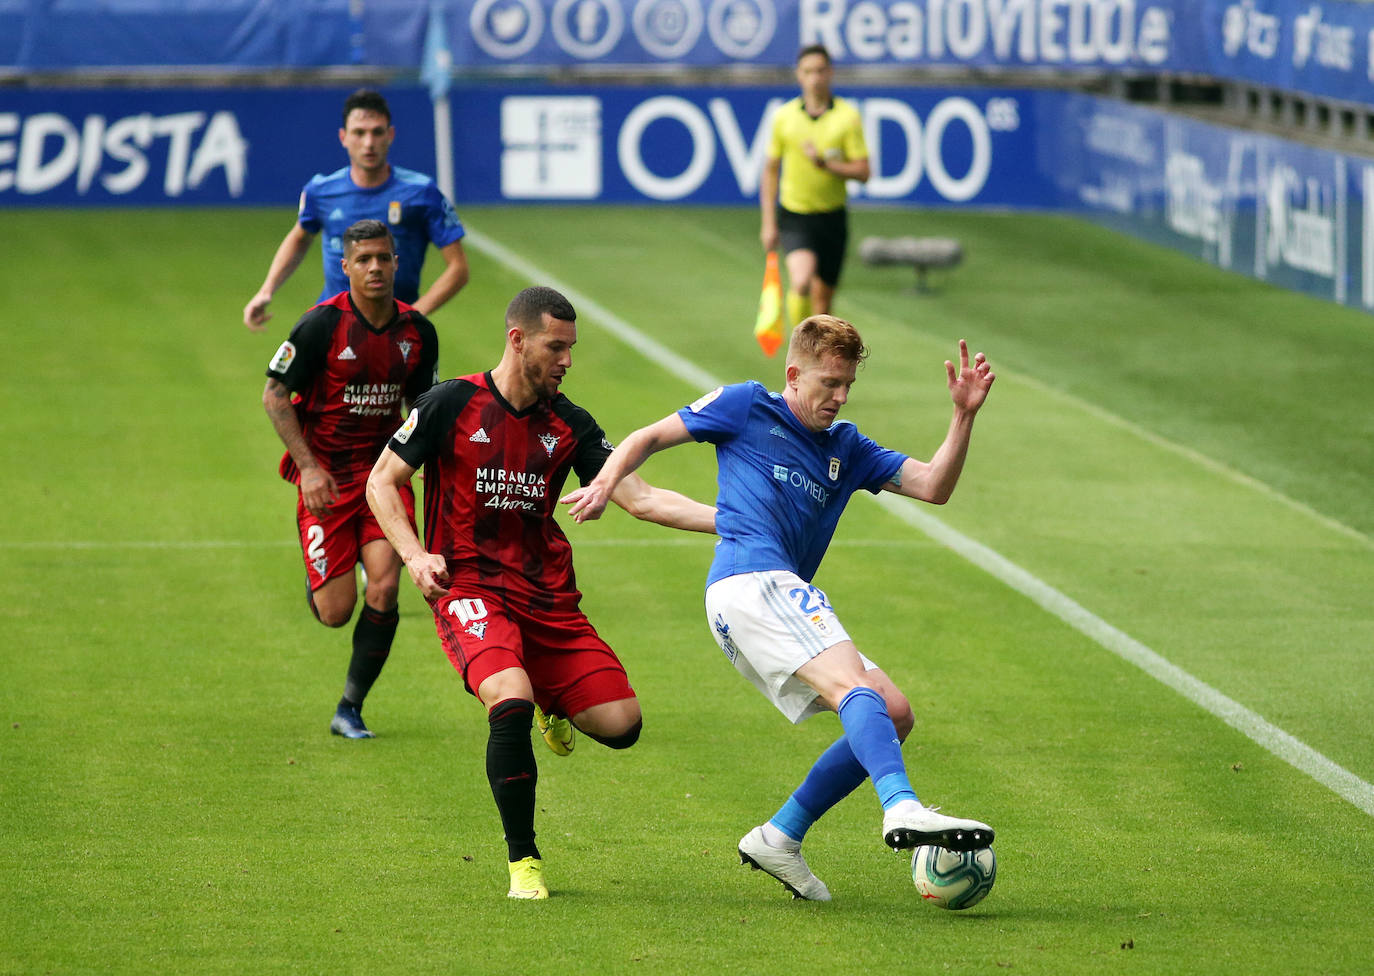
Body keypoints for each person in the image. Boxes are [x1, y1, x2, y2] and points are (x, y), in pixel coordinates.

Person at [562, 315, 996, 902]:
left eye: (847, 385)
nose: (839, 397)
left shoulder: (848, 447)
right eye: (828, 383)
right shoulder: (745, 406)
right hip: (750, 581)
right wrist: (605, 482)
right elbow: (648, 438)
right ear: (793, 375)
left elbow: (933, 485)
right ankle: (900, 806)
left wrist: (963, 416)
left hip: (765, 595)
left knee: (892, 712)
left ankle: (779, 836)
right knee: (853, 687)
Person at [365, 286, 716, 900]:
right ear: (517, 339)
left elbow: (643, 498)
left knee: (622, 725)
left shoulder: (571, 424)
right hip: (469, 588)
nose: (567, 360)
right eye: (556, 347)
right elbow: (382, 481)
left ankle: (553, 701)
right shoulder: (451, 403)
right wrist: (415, 556)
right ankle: (523, 860)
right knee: (509, 699)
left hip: (547, 598)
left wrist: (737, 522)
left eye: (571, 348)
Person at [262, 219, 439, 739]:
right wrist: (309, 468)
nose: (375, 268)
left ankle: (350, 708)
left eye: (383, 258)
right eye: (364, 260)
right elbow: (275, 394)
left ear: (397, 262)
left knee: (385, 587)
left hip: (384, 478)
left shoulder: (417, 331)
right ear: (346, 267)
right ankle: (322, 583)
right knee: (336, 612)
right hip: (329, 481)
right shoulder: (320, 325)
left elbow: (422, 409)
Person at [244, 88, 469, 332]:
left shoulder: (421, 192)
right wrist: (266, 290)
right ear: (343, 137)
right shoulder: (321, 191)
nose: (369, 143)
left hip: (394, 334)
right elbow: (300, 238)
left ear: (390, 135)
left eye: (377, 132)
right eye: (359, 133)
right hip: (331, 330)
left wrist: (412, 316)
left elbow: (458, 268)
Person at [760, 44, 870, 327]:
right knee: (801, 281)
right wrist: (768, 223)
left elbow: (863, 172)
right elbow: (771, 170)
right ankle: (799, 343)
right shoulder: (784, 117)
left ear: (830, 73)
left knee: (823, 305)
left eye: (820, 71)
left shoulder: (846, 117)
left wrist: (827, 165)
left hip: (832, 217)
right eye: (808, 72)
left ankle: (815, 349)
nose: (815, 78)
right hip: (795, 214)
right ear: (799, 75)